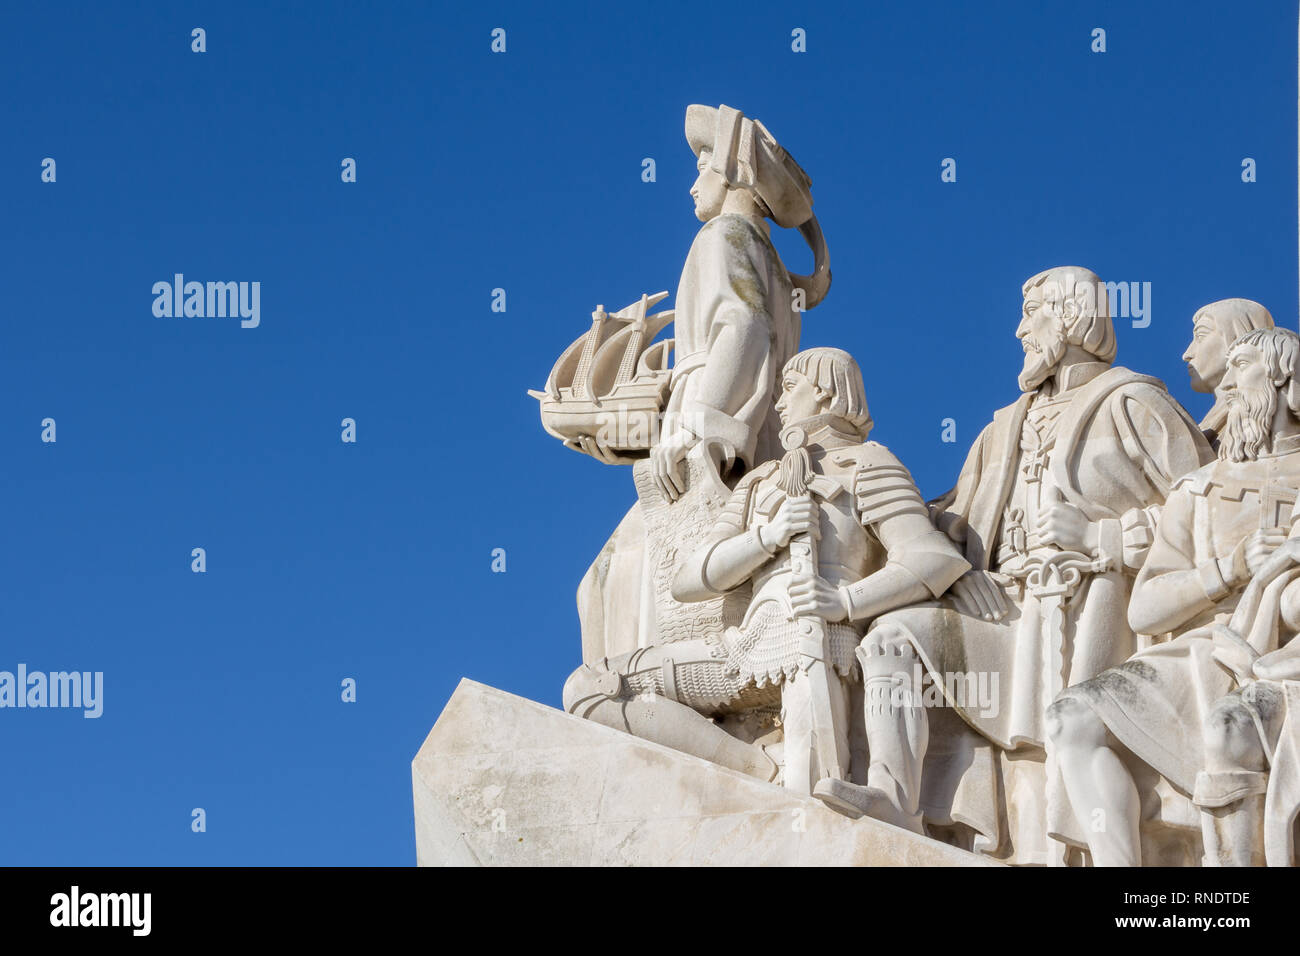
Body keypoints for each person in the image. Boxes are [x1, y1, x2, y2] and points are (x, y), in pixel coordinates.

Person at [818, 267, 1212, 862]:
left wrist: (1105, 536)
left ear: (1074, 317)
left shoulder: (1134, 401)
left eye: (1034, 314)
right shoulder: (1004, 427)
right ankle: (892, 798)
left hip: (1096, 616)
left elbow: (1208, 506)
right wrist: (961, 570)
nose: (1021, 329)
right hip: (1005, 610)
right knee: (893, 637)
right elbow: (949, 519)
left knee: (1061, 748)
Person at [562, 348, 968, 795]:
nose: (778, 403)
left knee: (811, 795)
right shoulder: (761, 480)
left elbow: (934, 558)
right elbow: (690, 579)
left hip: (821, 642)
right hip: (744, 647)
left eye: (789, 388)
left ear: (826, 391)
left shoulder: (867, 464)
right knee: (590, 688)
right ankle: (758, 771)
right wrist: (768, 537)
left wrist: (845, 602)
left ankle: (789, 779)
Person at [1049, 327, 1300, 866]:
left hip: (1286, 653)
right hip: (1206, 650)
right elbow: (1147, 606)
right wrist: (1230, 568)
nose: (1225, 384)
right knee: (1073, 717)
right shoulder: (1200, 488)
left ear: (1283, 376)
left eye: (1242, 366)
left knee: (1233, 729)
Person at [1181, 298, 1273, 447]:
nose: (1187, 354)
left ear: (1238, 338)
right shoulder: (1206, 426)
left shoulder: (1264, 420)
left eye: (1200, 336)